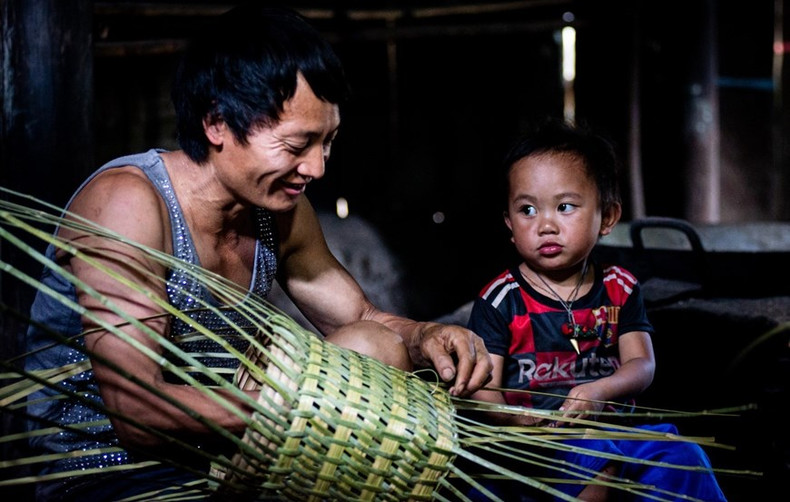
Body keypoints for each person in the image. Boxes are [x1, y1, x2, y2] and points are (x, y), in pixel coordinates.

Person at [23, 5, 492, 500]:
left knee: (378, 348)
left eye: (327, 142)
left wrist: (425, 336)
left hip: (223, 464)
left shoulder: (279, 212)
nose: (316, 168)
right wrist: (302, 407)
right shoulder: (128, 203)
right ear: (217, 123)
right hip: (111, 479)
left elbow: (361, 317)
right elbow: (136, 409)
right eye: (296, 145)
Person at [466, 119, 726, 501]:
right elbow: (482, 386)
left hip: (616, 432)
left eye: (565, 207)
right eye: (527, 210)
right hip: (537, 445)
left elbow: (642, 364)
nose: (546, 225)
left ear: (607, 217)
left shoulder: (619, 288)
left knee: (684, 457)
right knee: (592, 458)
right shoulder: (501, 298)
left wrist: (601, 390)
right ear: (509, 222)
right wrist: (516, 418)